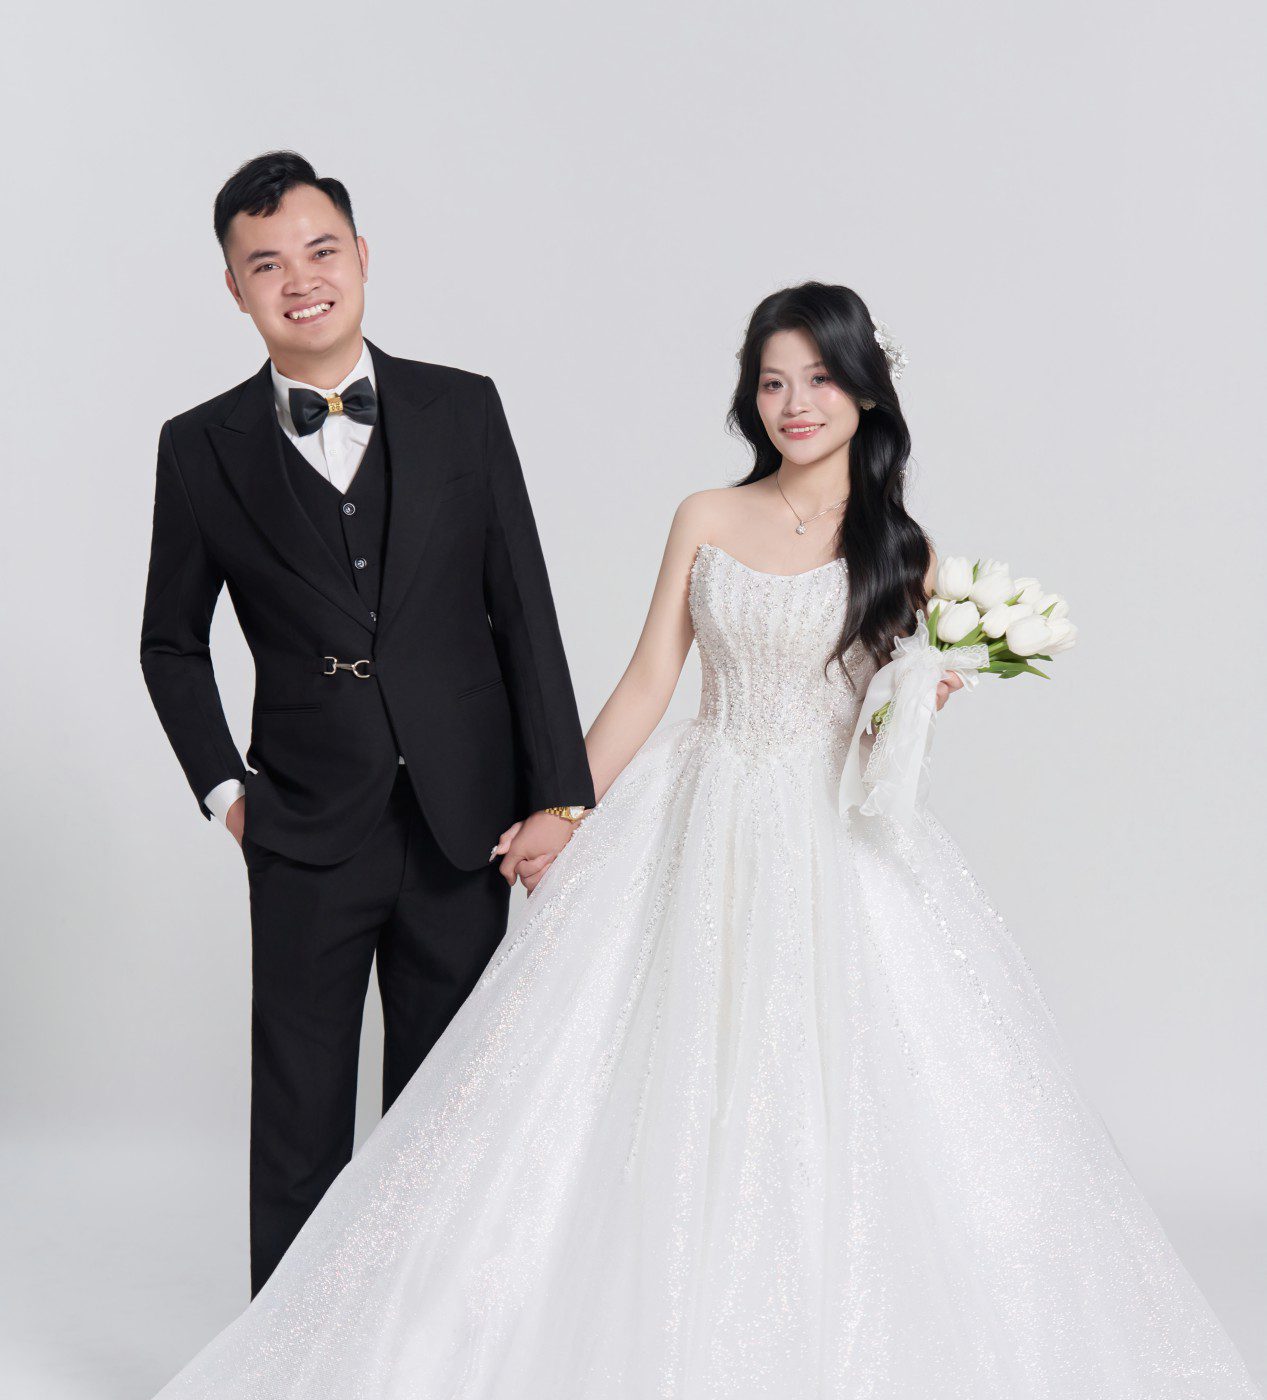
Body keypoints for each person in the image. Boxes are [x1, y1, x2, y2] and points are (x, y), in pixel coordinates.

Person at [150, 283, 1263, 1398]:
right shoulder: (706, 515)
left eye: (817, 379)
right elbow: (649, 682)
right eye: (772, 383)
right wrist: (564, 807)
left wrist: (919, 700)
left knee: (848, 1088)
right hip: (699, 812)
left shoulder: (905, 550)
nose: (794, 403)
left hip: (833, 841)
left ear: (865, 393)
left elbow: (886, 729)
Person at [139, 151, 594, 1297]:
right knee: (298, 1117)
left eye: (320, 250)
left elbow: (521, 604)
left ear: (361, 257)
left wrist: (558, 794)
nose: (300, 279)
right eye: (266, 264)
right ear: (234, 288)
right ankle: (288, 1360)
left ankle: (431, 1344)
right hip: (301, 822)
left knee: (447, 1110)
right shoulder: (198, 446)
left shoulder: (463, 406)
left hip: (462, 816)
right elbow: (170, 641)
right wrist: (229, 794)